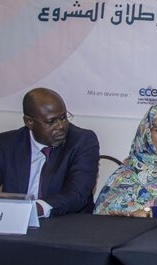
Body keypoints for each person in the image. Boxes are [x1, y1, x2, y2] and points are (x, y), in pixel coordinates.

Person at [0, 87, 99, 217]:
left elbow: (77, 194)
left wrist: (37, 208)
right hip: (16, 221)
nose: (60, 126)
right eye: (51, 122)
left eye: (63, 118)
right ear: (29, 122)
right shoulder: (7, 144)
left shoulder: (82, 141)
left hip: (64, 222)